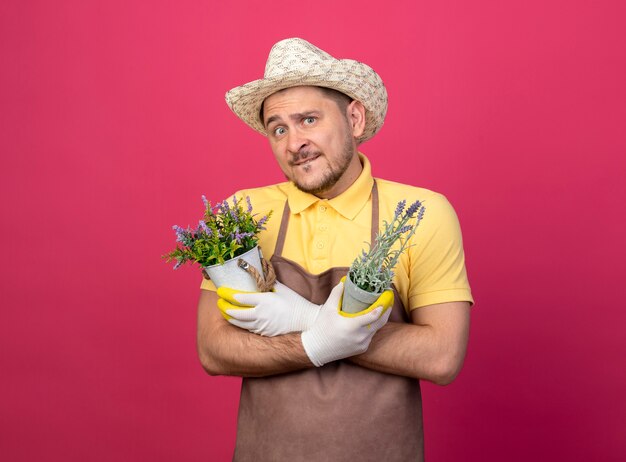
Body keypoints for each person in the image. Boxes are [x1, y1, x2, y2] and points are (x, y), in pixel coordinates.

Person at [196, 38, 473, 461]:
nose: (293, 144)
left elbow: (441, 357)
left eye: (308, 119)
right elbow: (214, 349)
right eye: (279, 128)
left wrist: (307, 320)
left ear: (355, 118)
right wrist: (320, 339)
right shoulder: (242, 213)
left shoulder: (422, 214)